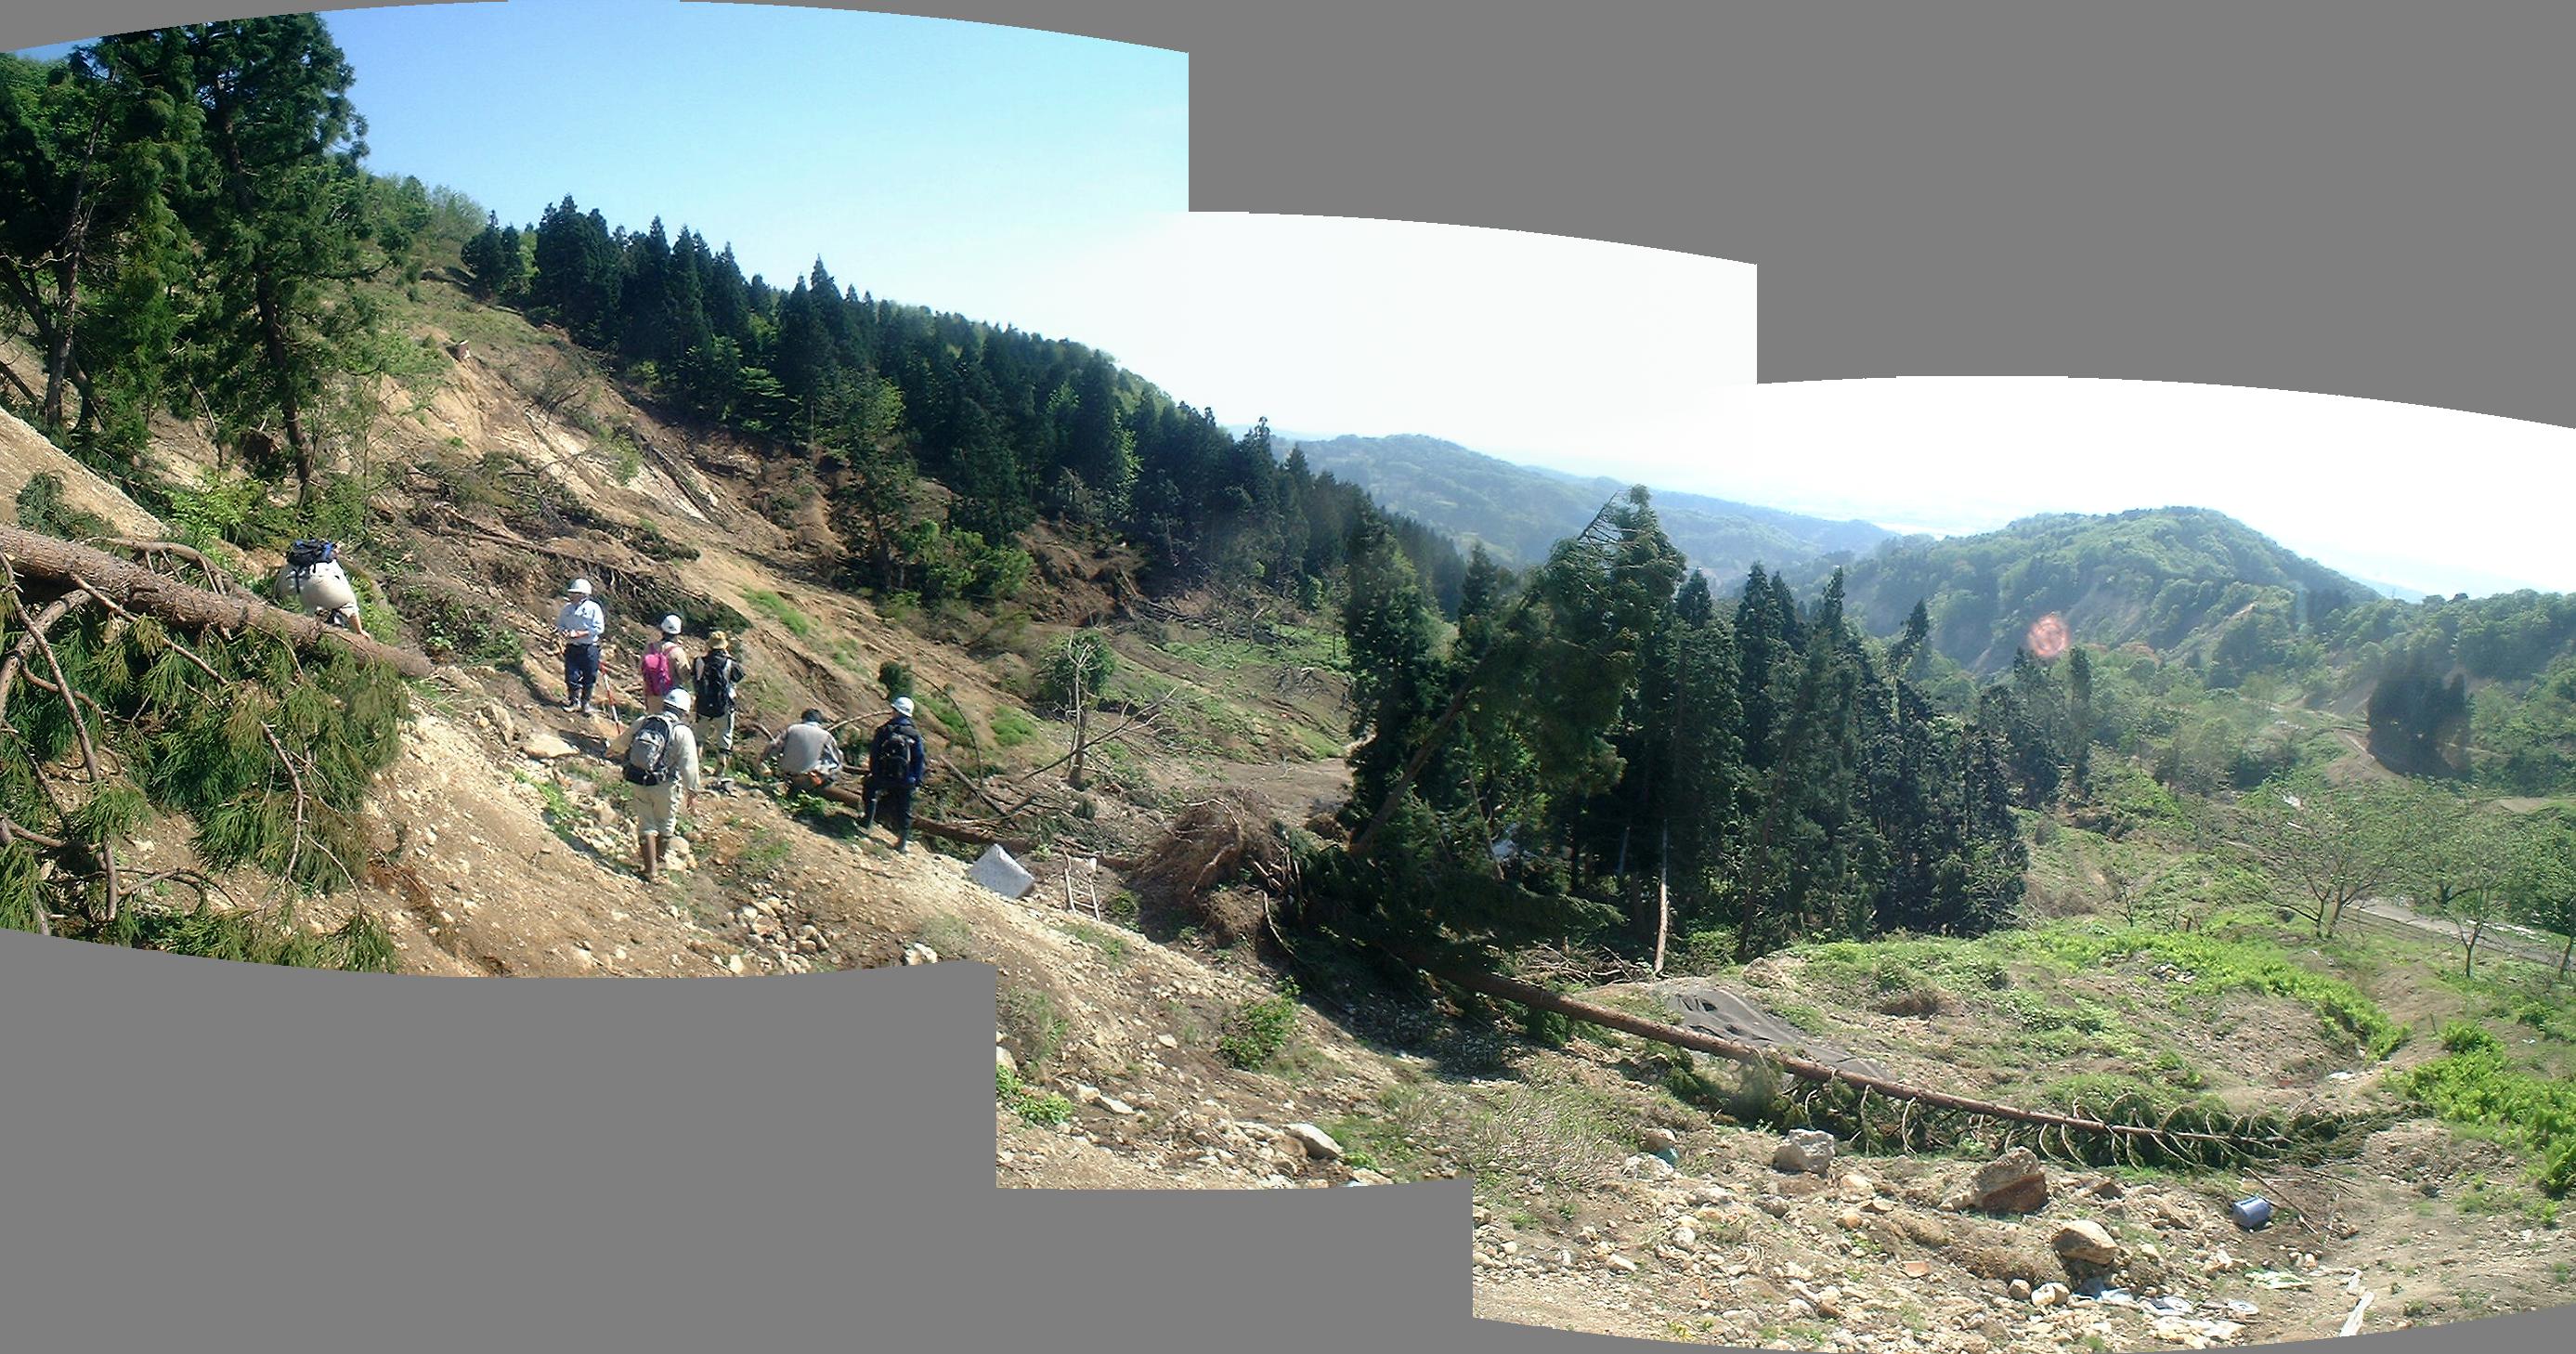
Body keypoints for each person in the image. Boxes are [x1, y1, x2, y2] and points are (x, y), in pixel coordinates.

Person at [611, 687, 701, 882]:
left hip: (638, 778)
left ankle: (649, 868)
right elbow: (689, 764)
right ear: (684, 712)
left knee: (645, 823)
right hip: (665, 784)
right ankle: (658, 863)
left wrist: (612, 750)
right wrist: (692, 791)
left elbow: (622, 741)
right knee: (665, 822)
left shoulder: (644, 721)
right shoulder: (682, 732)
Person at [861, 696, 929, 853]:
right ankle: (902, 842)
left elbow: (874, 754)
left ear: (896, 711)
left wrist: (875, 773)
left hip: (883, 776)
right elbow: (919, 758)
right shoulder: (914, 734)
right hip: (906, 779)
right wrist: (917, 780)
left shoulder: (884, 730)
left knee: (869, 787)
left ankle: (867, 821)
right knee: (905, 808)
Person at [277, 540, 368, 638]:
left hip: (290, 589)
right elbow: (350, 601)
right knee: (348, 600)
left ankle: (307, 618)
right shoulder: (331, 561)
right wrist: (359, 630)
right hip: (319, 586)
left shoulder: (295, 559)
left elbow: (278, 584)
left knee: (309, 601)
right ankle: (337, 628)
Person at [690, 631, 746, 775]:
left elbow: (695, 679)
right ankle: (720, 767)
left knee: (699, 736)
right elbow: (739, 676)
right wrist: (729, 656)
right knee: (725, 735)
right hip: (725, 706)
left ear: (709, 646)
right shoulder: (731, 664)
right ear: (724, 646)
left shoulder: (699, 661)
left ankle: (695, 765)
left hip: (703, 705)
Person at [555, 578, 605, 714]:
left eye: (575, 593)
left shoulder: (594, 608)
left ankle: (585, 703)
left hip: (590, 648)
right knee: (571, 675)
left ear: (583, 595)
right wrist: (564, 632)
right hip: (572, 647)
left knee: (589, 676)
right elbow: (560, 625)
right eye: (572, 593)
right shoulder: (567, 609)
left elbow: (599, 628)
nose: (572, 596)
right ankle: (574, 701)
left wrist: (580, 634)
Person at [766, 708, 844, 793]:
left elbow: (773, 746)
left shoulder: (792, 729)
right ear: (819, 722)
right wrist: (820, 770)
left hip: (784, 773)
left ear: (803, 719)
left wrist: (765, 761)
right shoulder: (826, 736)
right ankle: (813, 791)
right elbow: (836, 762)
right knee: (837, 765)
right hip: (806, 779)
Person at [640, 614, 688, 704]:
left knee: (652, 712)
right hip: (671, 696)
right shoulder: (677, 652)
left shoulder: (649, 648)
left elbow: (641, 669)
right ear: (677, 633)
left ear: (662, 630)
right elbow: (685, 676)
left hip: (651, 693)